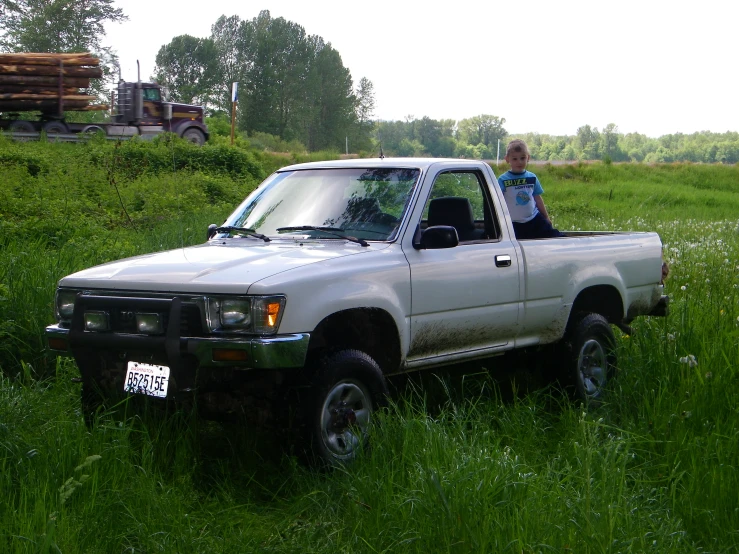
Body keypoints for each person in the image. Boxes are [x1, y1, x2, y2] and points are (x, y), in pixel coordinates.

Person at [497, 139, 562, 239]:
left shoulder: (532, 177)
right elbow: (498, 202)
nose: (519, 162)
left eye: (522, 158)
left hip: (533, 219)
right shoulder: (503, 180)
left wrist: (546, 217)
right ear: (507, 159)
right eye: (515, 159)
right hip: (513, 222)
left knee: (553, 235)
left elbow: (538, 198)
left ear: (528, 158)